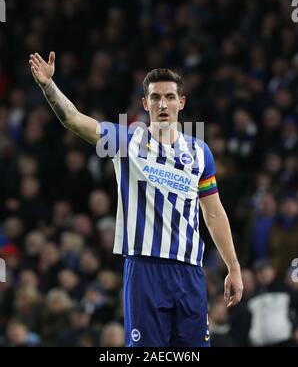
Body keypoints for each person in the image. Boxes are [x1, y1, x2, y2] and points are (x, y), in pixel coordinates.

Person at [29, 51, 243, 347]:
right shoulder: (127, 141)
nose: (163, 104)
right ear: (145, 104)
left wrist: (233, 266)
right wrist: (48, 86)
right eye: (155, 97)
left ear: (181, 103)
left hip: (190, 272)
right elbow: (75, 121)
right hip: (145, 270)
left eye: (170, 97)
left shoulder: (199, 152)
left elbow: (214, 213)